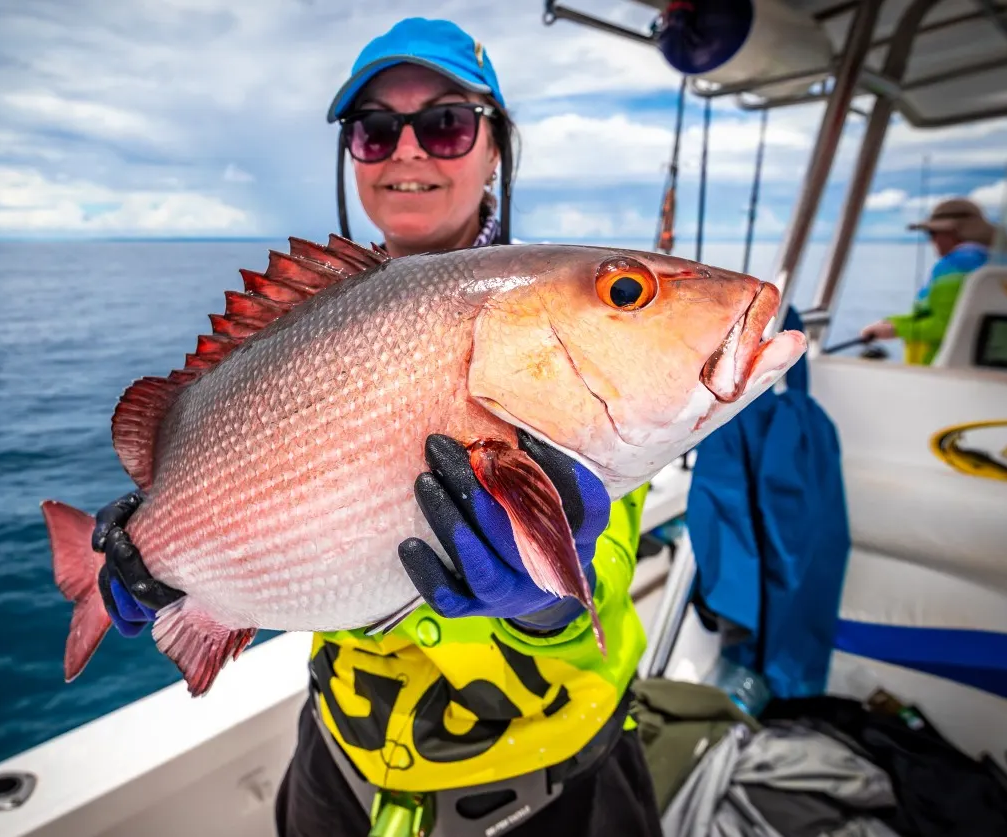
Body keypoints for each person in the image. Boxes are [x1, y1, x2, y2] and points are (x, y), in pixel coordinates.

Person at [90, 18, 663, 837]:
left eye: (446, 124)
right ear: (352, 154)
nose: (408, 151)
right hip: (339, 765)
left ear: (495, 147)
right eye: (373, 130)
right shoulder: (311, 321)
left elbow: (604, 561)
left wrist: (548, 609)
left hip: (552, 789)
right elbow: (247, 498)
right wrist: (164, 557)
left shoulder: (556, 314)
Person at [860, 197, 999, 365]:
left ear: (954, 232)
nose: (931, 240)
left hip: (938, 368)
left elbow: (947, 325)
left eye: (932, 233)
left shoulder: (954, 265)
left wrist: (895, 329)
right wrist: (892, 323)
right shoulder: (996, 261)